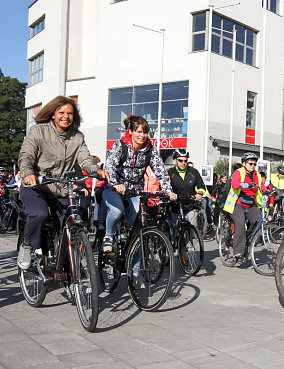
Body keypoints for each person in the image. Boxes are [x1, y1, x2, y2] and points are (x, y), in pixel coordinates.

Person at [17, 96, 110, 269]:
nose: (65, 116)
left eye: (70, 113)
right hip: (36, 185)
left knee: (69, 225)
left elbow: (85, 160)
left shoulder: (77, 137)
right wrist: (28, 173)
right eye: (61, 113)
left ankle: (70, 271)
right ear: (53, 114)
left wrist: (96, 170)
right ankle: (28, 244)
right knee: (39, 214)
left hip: (60, 188)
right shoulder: (39, 131)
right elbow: (27, 155)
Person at [102, 115, 176, 253]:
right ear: (130, 131)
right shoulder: (120, 145)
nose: (142, 135)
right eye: (139, 131)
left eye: (145, 132)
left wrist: (168, 191)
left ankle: (135, 270)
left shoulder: (151, 150)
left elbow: (161, 172)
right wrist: (115, 183)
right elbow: (110, 166)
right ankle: (109, 235)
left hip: (135, 192)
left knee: (137, 231)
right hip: (115, 189)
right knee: (117, 211)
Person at [223, 152, 266, 260]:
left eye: (254, 164)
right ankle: (238, 251)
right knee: (240, 223)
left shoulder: (257, 175)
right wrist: (241, 184)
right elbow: (234, 184)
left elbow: (262, 187)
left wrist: (269, 191)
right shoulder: (239, 172)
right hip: (237, 203)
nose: (253, 166)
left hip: (251, 203)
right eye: (250, 163)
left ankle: (247, 241)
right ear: (244, 163)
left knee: (259, 221)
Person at [167, 148, 206, 226]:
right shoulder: (170, 172)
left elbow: (201, 186)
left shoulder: (193, 172)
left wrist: (199, 193)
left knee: (190, 229)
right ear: (175, 160)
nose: (183, 163)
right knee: (175, 231)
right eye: (180, 160)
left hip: (190, 206)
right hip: (175, 207)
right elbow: (164, 187)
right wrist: (170, 194)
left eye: (185, 161)